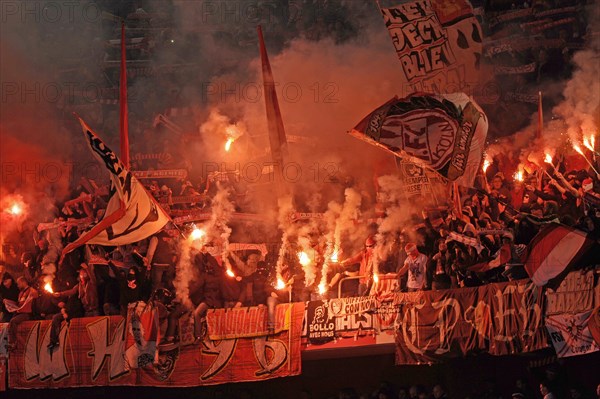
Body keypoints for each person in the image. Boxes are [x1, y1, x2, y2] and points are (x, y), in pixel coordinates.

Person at [5, 277, 38, 350]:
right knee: (10, 321)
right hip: (19, 313)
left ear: (23, 282)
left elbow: (35, 302)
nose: (17, 286)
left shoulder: (32, 291)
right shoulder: (20, 293)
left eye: (18, 284)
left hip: (27, 314)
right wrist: (8, 302)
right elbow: (18, 305)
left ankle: (13, 343)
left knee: (13, 321)